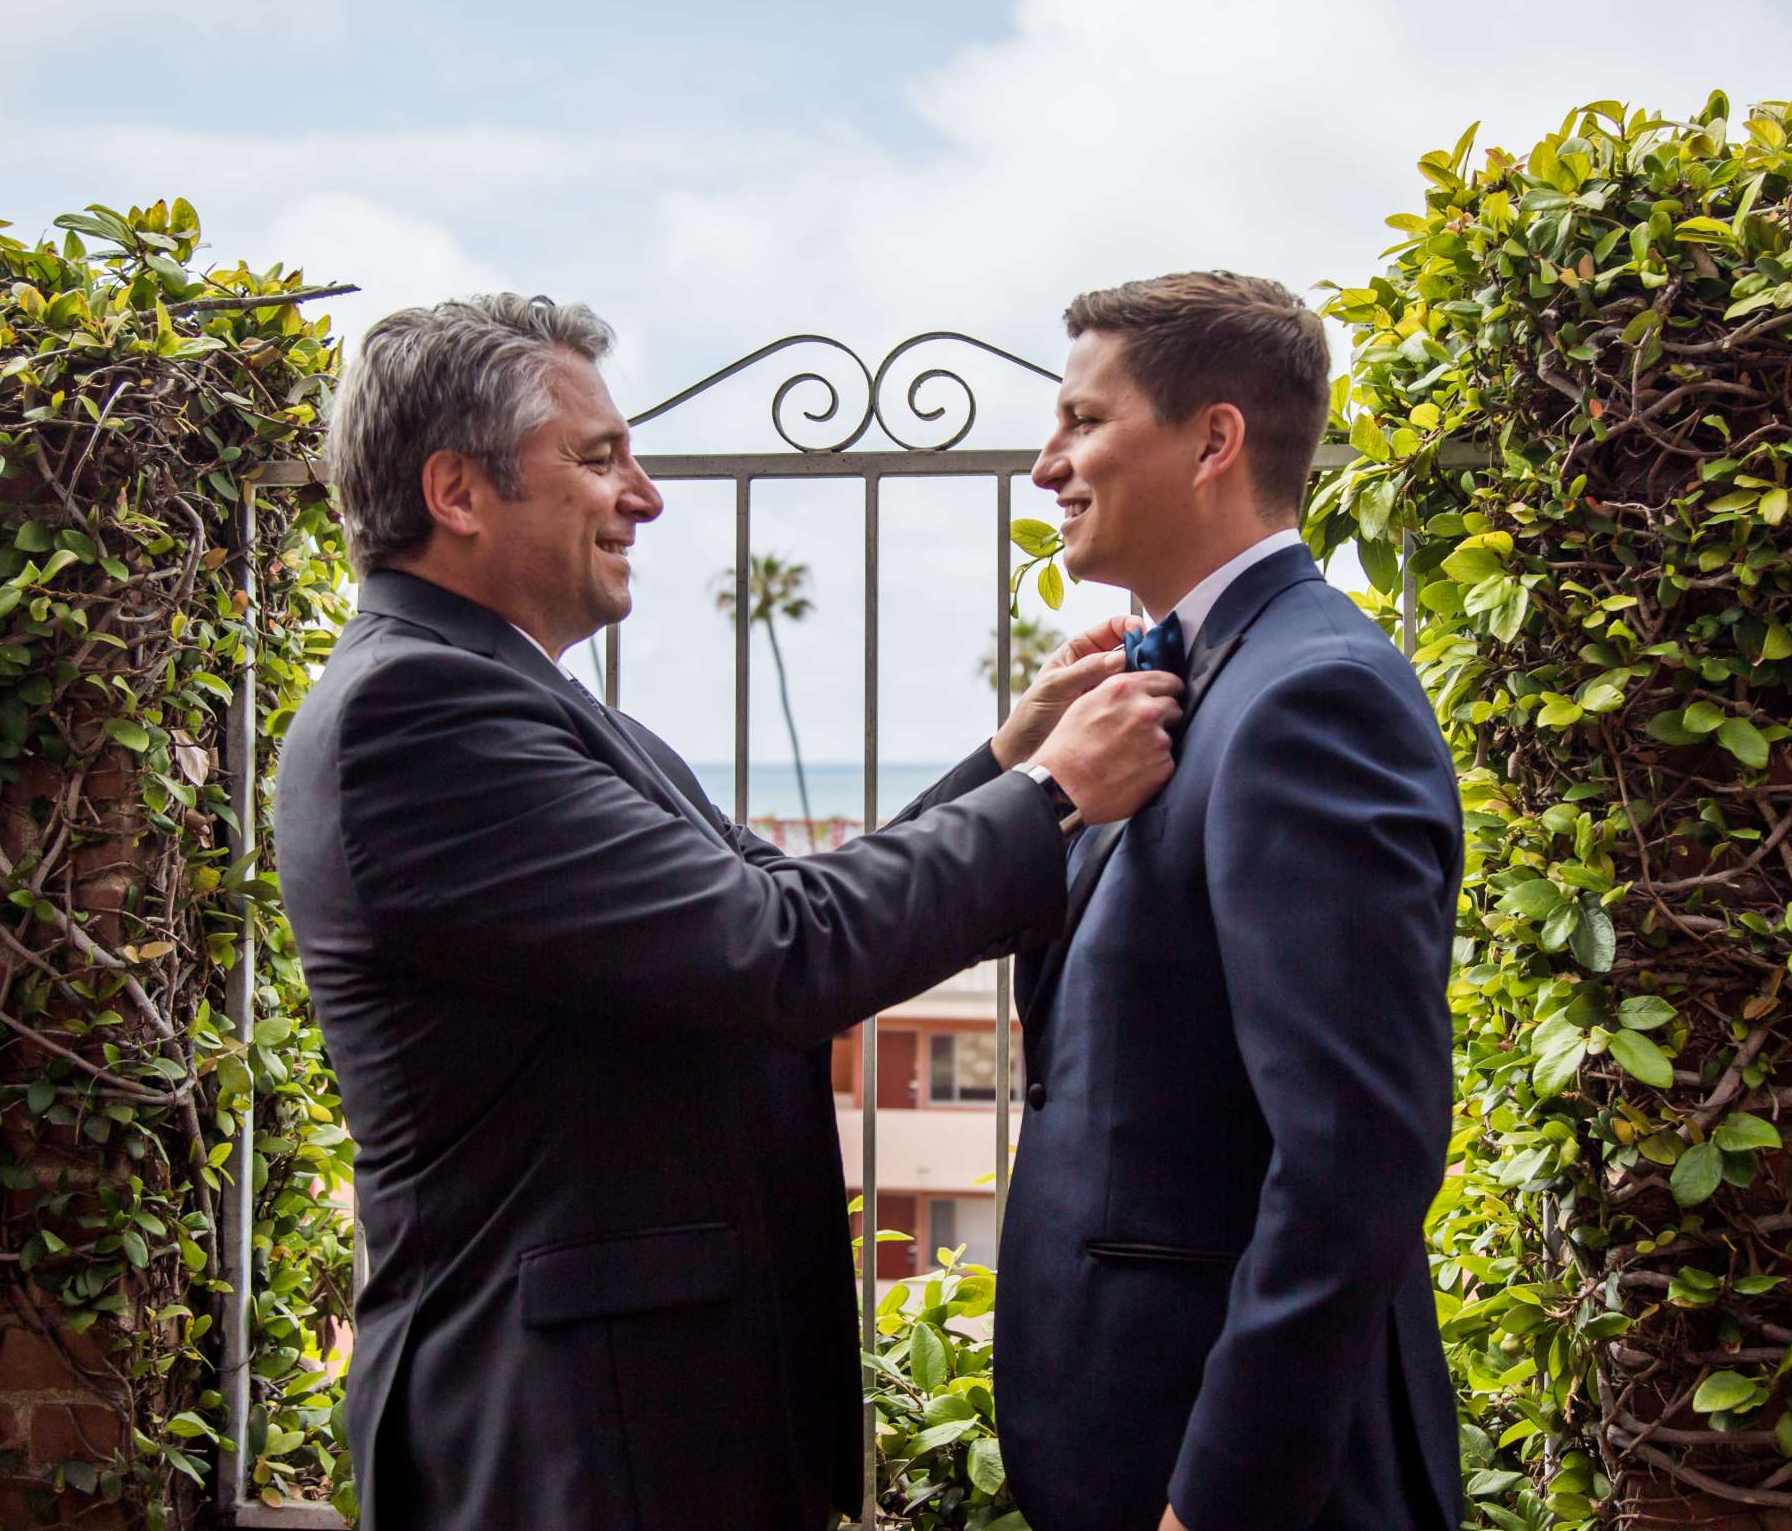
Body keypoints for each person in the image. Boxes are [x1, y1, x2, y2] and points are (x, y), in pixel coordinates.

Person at [272, 293, 1182, 1530]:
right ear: (457, 491)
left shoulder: (517, 698)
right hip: (567, 1441)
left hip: (633, 1425)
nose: (643, 496)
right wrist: (1053, 791)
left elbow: (780, 899)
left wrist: (1006, 753)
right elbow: (777, 952)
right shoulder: (415, 715)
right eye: (598, 461)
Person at [912, 272, 1465, 1529]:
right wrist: (1021, 758)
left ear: (1214, 439)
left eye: (1083, 423)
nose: (1048, 463)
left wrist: (1216, 1502)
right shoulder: (1165, 684)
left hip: (1251, 1480)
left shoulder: (1312, 697)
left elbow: (1352, 1163)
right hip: (1121, 1437)